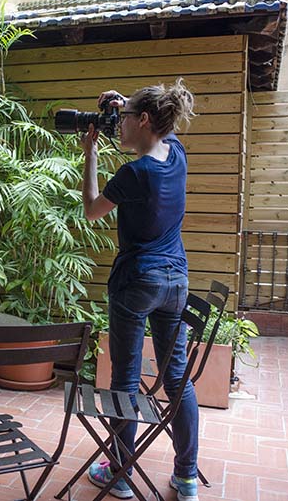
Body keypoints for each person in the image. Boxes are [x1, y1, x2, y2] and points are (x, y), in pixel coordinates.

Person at [81, 80, 197, 501]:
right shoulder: (176, 154)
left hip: (136, 282)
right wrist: (120, 101)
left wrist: (91, 154)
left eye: (125, 118)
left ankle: (122, 474)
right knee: (177, 379)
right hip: (176, 281)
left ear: (144, 119)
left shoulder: (134, 173)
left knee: (126, 378)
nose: (118, 126)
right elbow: (157, 134)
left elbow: (92, 209)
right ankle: (186, 478)